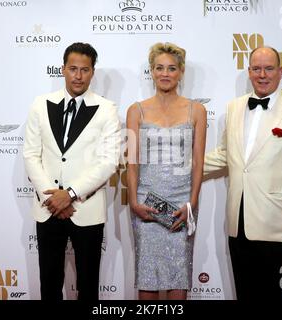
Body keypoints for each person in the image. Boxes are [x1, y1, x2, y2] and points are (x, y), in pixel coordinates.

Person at [204, 46, 282, 300]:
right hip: (239, 224)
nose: (262, 74)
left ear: (280, 71)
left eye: (269, 68)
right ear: (248, 71)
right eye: (256, 68)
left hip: (281, 226)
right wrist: (183, 167)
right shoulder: (234, 107)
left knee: (279, 296)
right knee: (246, 294)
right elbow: (226, 154)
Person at [23, 42, 121, 300]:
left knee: (89, 286)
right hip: (48, 208)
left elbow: (108, 162)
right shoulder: (40, 103)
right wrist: (53, 198)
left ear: (93, 72)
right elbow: (32, 155)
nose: (78, 76)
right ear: (63, 69)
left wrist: (70, 194)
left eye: (85, 70)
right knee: (49, 283)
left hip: (85, 209)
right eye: (73, 68)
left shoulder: (106, 109)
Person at [126, 42, 207, 300]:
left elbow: (198, 162)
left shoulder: (197, 110)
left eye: (171, 68)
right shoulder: (135, 110)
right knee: (147, 278)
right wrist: (133, 202)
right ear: (151, 71)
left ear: (181, 72)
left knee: (178, 277)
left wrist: (192, 204)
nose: (165, 73)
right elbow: (132, 162)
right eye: (159, 67)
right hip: (146, 203)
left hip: (181, 204)